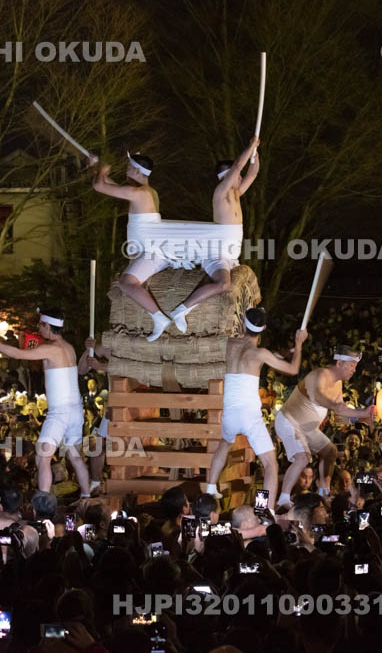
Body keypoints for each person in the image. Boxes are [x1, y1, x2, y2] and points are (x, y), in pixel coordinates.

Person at [0, 308, 91, 497]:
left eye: (41, 324)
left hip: (60, 411)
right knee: (75, 457)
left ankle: (43, 502)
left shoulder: (50, 348)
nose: (39, 328)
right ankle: (86, 496)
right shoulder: (69, 347)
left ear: (48, 326)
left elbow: (18, 354)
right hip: (75, 409)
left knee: (42, 458)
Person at [204, 307, 307, 509]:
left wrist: (284, 353)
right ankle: (264, 509)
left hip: (230, 413)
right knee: (270, 464)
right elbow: (293, 369)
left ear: (243, 325)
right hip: (249, 415)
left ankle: (210, 487)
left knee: (224, 443)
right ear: (264, 328)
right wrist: (299, 344)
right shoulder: (260, 353)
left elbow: (263, 359)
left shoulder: (231, 344)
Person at [168, 137, 260, 333]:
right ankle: (181, 310)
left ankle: (246, 325)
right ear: (228, 177)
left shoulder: (236, 194)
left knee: (240, 286)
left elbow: (253, 173)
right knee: (224, 284)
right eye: (238, 176)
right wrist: (249, 147)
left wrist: (255, 155)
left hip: (230, 255)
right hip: (216, 253)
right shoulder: (221, 193)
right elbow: (237, 167)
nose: (241, 178)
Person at [274, 346, 375, 509]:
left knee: (330, 451)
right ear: (340, 362)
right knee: (302, 457)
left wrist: (364, 414)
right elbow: (318, 397)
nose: (354, 370)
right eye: (351, 365)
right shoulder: (319, 375)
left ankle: (324, 491)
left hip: (307, 427)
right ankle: (283, 498)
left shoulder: (338, 384)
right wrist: (340, 407)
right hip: (289, 420)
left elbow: (341, 412)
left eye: (355, 366)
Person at [91, 151, 173, 341]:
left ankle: (159, 318)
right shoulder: (146, 191)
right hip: (151, 250)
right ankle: (156, 317)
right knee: (127, 282)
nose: (126, 170)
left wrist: (101, 170)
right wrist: (95, 168)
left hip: (153, 253)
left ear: (137, 170)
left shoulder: (139, 193)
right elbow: (107, 184)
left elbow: (99, 185)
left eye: (129, 167)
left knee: (127, 282)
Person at [77, 336, 110, 495]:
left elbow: (133, 368)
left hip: (138, 399)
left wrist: (102, 366)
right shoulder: (109, 346)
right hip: (115, 402)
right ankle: (96, 482)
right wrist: (88, 349)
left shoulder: (141, 342)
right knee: (97, 444)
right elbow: (82, 369)